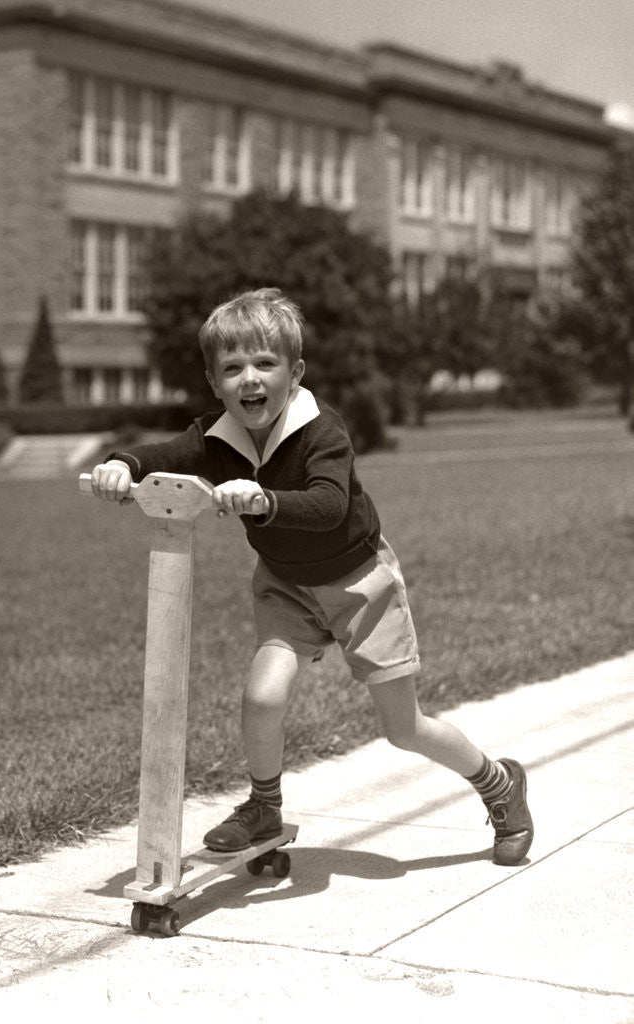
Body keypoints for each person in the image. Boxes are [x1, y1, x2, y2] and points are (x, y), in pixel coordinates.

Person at [87, 287, 533, 867]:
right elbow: (166, 453)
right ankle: (264, 806)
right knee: (262, 694)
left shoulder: (323, 430)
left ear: (294, 373)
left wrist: (264, 499)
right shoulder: (216, 437)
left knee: (405, 727)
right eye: (232, 368)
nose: (250, 378)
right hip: (287, 586)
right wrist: (123, 465)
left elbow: (329, 505)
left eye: (265, 363)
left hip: (360, 583)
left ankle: (500, 784)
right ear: (213, 381)